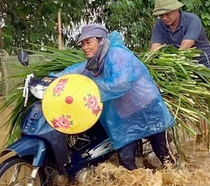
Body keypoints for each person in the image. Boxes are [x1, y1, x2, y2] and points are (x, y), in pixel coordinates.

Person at [58, 24, 175, 171]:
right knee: (126, 161)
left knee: (163, 154)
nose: (85, 47)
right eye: (82, 44)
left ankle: (178, 182)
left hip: (147, 109)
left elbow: (122, 82)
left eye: (88, 43)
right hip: (126, 117)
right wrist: (49, 80)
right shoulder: (93, 64)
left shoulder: (117, 54)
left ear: (100, 41)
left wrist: (92, 86)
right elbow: (74, 71)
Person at [149, 0, 210, 70]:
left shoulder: (192, 21)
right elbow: (154, 49)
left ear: (177, 9)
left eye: (167, 14)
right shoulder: (159, 25)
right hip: (183, 66)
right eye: (161, 15)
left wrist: (170, 63)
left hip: (204, 65)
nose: (164, 18)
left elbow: (184, 48)